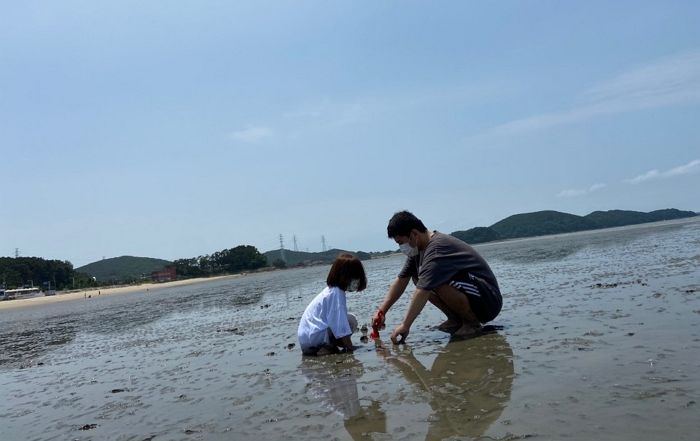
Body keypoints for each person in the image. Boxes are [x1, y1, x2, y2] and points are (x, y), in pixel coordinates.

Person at [373, 210, 502, 344]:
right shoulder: (417, 250)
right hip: (472, 294)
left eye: (400, 242)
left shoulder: (436, 248)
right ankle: (455, 320)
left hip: (488, 300)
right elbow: (401, 280)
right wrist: (381, 311)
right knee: (417, 278)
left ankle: (471, 323)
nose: (401, 247)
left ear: (414, 234)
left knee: (433, 281)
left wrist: (405, 325)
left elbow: (422, 291)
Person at [298, 253, 368, 355]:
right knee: (351, 321)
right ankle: (324, 349)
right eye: (355, 276)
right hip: (314, 340)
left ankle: (329, 347)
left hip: (307, 339)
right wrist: (350, 347)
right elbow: (340, 324)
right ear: (345, 276)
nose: (357, 280)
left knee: (349, 318)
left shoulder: (331, 291)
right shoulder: (336, 294)